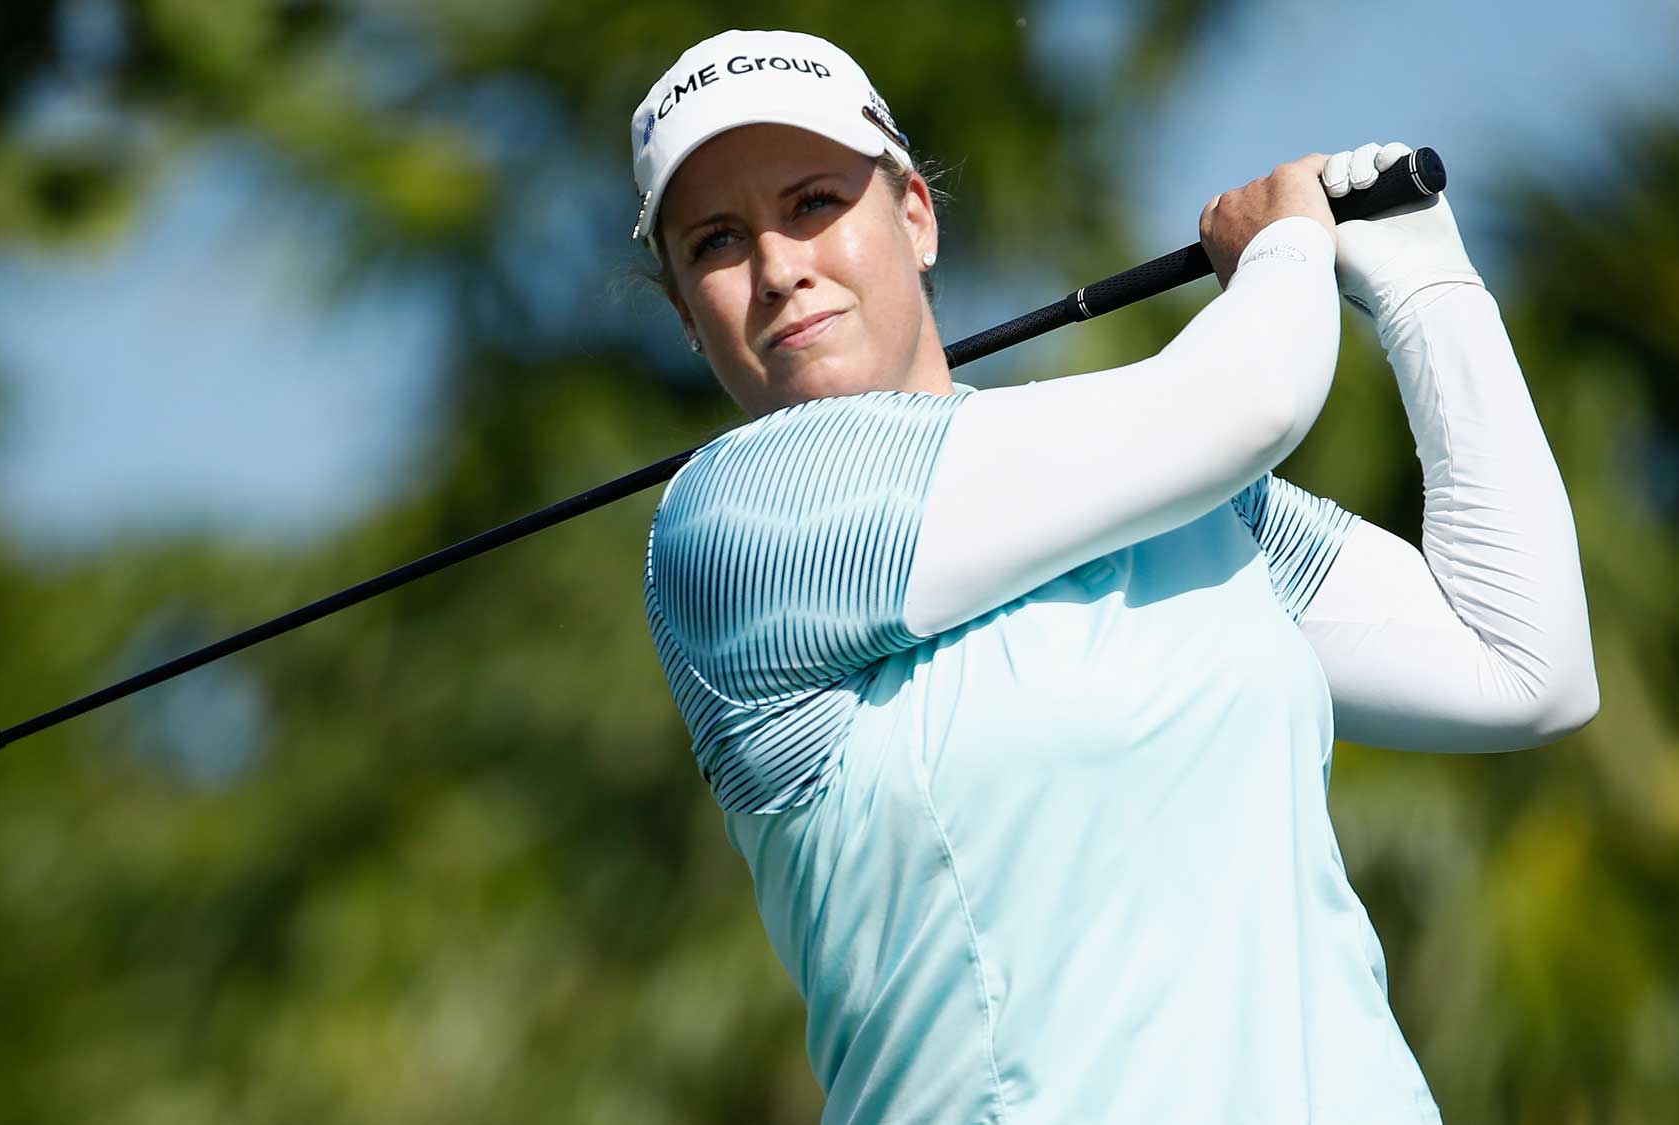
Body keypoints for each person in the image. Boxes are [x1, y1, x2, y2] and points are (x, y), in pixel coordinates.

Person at [632, 28, 1597, 1125]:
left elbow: (1523, 667)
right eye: (715, 239)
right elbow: (1250, 402)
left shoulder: (1173, 496)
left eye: (811, 202)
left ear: (914, 215)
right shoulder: (731, 527)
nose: (776, 266)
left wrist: (1425, 280)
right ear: (681, 308)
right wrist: (1282, 250)